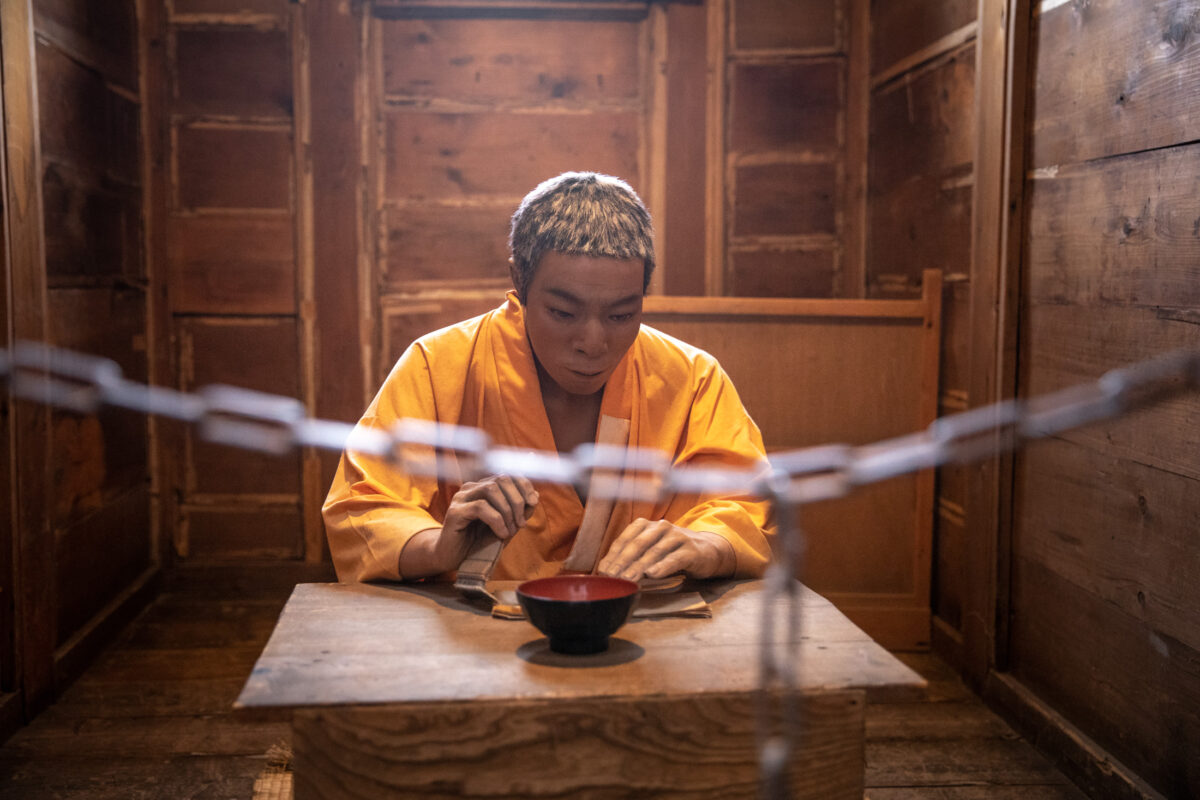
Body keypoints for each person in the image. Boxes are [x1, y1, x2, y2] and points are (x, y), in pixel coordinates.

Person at [322, 172, 771, 584]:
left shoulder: (691, 378)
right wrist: (436, 548)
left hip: (641, 627)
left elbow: (745, 507)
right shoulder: (438, 366)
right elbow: (363, 507)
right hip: (472, 634)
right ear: (519, 279)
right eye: (563, 312)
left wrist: (705, 546)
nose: (593, 342)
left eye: (621, 314)